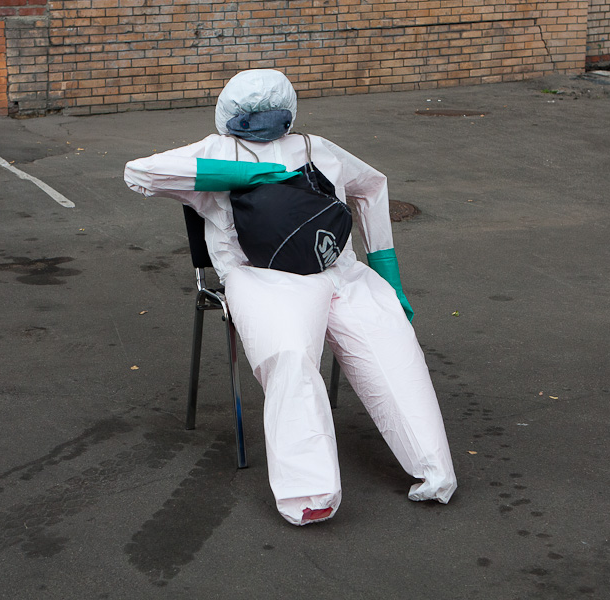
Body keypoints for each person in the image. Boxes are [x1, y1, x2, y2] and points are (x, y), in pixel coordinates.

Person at [124, 69, 456, 525]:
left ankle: (435, 471)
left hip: (339, 269)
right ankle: (308, 489)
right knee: (290, 356)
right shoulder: (215, 150)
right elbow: (139, 172)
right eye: (253, 114)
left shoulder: (317, 147)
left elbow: (371, 185)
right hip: (261, 277)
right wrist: (244, 175)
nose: (262, 121)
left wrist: (388, 277)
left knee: (392, 346)